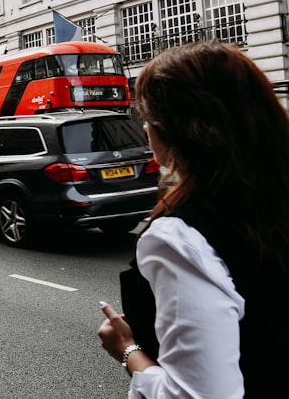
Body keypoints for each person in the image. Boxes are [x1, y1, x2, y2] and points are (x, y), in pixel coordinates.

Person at [97, 41, 289, 396]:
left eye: (147, 119)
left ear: (167, 132)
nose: (144, 130)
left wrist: (127, 349)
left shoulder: (178, 237)